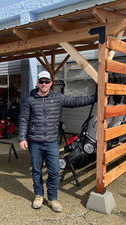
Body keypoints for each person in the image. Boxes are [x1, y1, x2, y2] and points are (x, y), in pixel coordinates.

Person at [19, 71, 96, 212]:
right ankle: (38, 196)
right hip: (35, 142)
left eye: (46, 81)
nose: (43, 84)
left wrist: (94, 98)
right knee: (36, 171)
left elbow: (75, 102)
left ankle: (53, 199)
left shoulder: (57, 98)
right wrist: (22, 138)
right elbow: (24, 120)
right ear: (37, 83)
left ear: (50, 83)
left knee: (54, 171)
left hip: (51, 143)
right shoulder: (30, 100)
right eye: (41, 81)